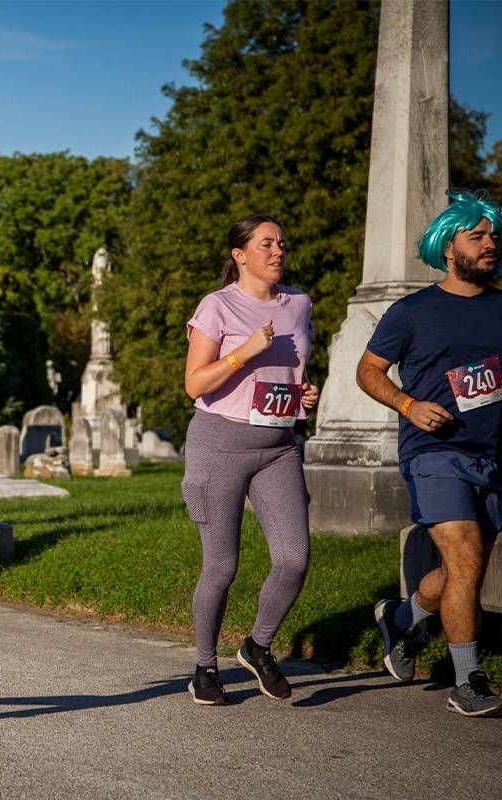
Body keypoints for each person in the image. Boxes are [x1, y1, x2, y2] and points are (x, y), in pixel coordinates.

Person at [358, 190, 502, 717]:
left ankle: (403, 619)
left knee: (462, 569)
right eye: (476, 235)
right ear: (447, 244)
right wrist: (408, 405)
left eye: (493, 236)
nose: (488, 244)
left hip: (488, 453)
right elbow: (367, 372)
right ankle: (468, 680)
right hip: (432, 452)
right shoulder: (412, 312)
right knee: (467, 556)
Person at [180, 214, 318, 706]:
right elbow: (194, 384)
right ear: (240, 255)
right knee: (221, 567)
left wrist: (303, 393)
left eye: (281, 243)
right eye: (266, 244)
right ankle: (203, 668)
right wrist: (244, 353)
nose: (278, 251)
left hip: (278, 445)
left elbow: (289, 373)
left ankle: (258, 646)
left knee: (294, 558)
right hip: (220, 445)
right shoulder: (217, 307)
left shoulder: (298, 304)